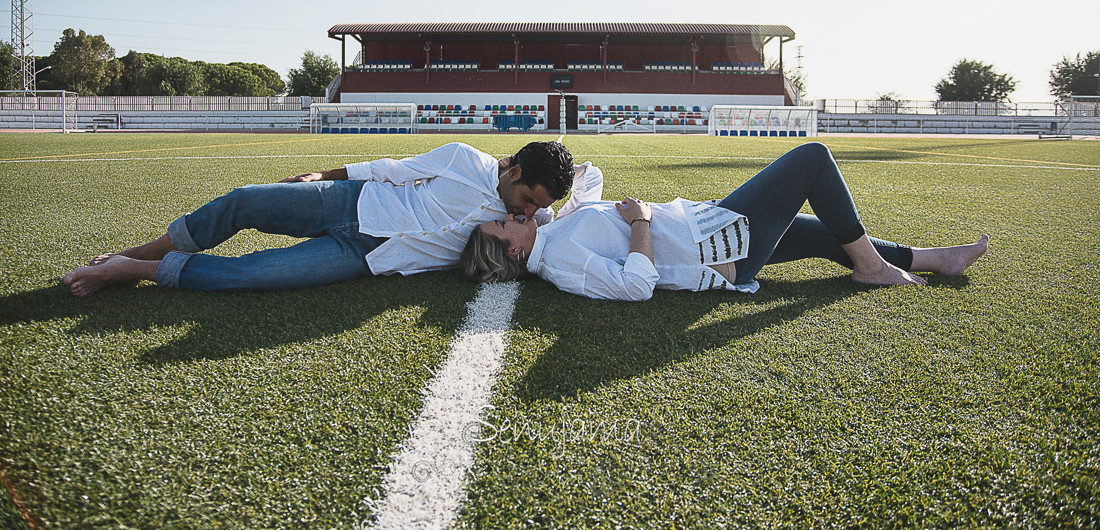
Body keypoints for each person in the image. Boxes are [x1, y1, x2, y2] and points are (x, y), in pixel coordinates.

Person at [461, 142, 989, 301]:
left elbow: (588, 187)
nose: (511, 216)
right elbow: (636, 286)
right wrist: (642, 223)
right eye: (505, 226)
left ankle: (930, 258)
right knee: (812, 161)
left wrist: (570, 175)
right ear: (512, 252)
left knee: (828, 235)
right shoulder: (562, 263)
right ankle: (872, 266)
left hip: (710, 228)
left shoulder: (551, 233)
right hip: (719, 249)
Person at [63, 141, 584, 296]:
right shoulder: (463, 159)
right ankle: (139, 251)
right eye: (528, 199)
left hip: (364, 256)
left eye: (539, 208)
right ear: (512, 169)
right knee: (245, 199)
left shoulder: (531, 221)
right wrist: (320, 175)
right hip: (350, 201)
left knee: (256, 275)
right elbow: (391, 169)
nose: (530, 213)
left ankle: (132, 271)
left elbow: (586, 198)